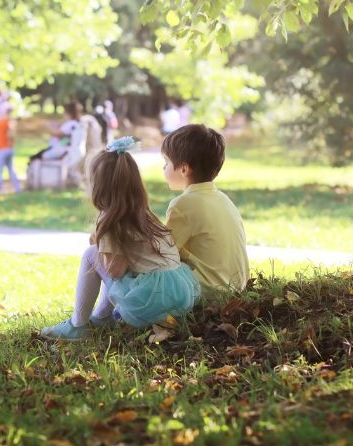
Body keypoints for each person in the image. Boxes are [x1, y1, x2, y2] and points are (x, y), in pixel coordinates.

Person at [40, 136, 201, 340]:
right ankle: (102, 317)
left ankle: (78, 325)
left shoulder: (111, 222)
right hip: (179, 293)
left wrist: (99, 246)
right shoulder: (144, 215)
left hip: (151, 300)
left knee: (91, 255)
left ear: (98, 187)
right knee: (113, 266)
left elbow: (115, 271)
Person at [162, 124, 249, 295]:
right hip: (236, 288)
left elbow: (163, 254)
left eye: (166, 163)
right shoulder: (224, 200)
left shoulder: (183, 205)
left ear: (184, 169)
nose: (163, 168)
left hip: (209, 292)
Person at [0, 105, 21, 195]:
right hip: (10, 149)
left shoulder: (0, 122)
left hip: (1, 149)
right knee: (11, 169)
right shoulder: (11, 122)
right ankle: (17, 189)